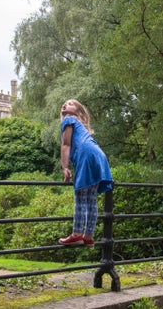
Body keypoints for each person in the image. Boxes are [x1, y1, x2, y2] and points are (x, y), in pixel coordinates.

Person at [58, 99, 113, 247]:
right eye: (64, 103)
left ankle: (76, 234)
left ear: (78, 111)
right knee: (91, 199)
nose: (65, 104)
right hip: (99, 155)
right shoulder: (80, 125)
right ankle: (88, 236)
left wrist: (65, 167)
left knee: (80, 197)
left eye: (70, 104)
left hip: (86, 154)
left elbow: (66, 144)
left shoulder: (69, 120)